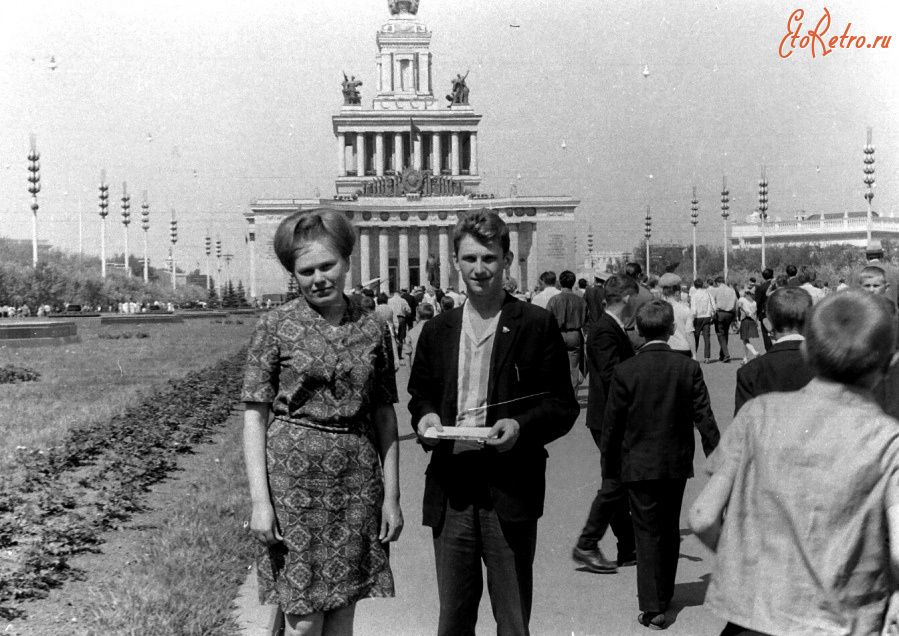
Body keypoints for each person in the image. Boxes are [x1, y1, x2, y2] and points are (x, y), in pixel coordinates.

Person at [408, 209, 578, 636]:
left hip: (510, 486)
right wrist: (426, 417)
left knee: (513, 619)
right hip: (453, 488)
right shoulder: (438, 329)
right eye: (469, 259)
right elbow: (420, 396)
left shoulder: (535, 324)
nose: (479, 270)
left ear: (506, 259)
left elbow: (562, 405)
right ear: (454, 262)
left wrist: (520, 426)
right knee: (453, 619)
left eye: (489, 258)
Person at [690, 290, 899, 636]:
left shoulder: (759, 414)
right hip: (843, 623)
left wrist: (746, 567)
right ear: (889, 363)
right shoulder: (888, 439)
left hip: (755, 617)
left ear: (806, 350)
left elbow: (702, 517)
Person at [241, 208, 402, 636]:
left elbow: (385, 415)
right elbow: (254, 419)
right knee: (304, 623)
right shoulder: (274, 326)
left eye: (327, 265)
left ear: (347, 261)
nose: (319, 278)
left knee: (344, 612)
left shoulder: (372, 325)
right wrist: (261, 503)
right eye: (306, 270)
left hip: (355, 484)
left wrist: (392, 498)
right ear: (294, 274)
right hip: (292, 485)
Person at [603, 299, 720, 629]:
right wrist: (718, 456)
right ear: (672, 330)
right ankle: (664, 593)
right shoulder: (688, 368)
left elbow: (612, 424)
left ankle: (653, 604)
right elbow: (704, 417)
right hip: (675, 461)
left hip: (637, 463)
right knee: (669, 526)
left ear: (637, 330)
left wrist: (609, 468)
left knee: (646, 530)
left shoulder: (625, 371)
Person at [573, 275, 639, 575]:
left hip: (609, 417)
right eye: (634, 298)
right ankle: (588, 543)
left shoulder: (609, 328)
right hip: (608, 418)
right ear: (626, 299)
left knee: (619, 482)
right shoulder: (604, 331)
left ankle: (627, 548)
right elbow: (613, 374)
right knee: (616, 482)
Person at [733, 287, 814, 416]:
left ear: (767, 324)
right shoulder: (830, 368)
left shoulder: (750, 372)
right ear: (810, 321)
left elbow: (743, 429)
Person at [546, 270, 588, 389]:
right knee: (573, 368)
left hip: (557, 334)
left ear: (560, 282)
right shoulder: (580, 300)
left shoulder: (554, 299)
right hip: (575, 334)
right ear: (573, 282)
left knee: (556, 367)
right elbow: (585, 319)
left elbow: (547, 319)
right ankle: (573, 398)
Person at [659, 273, 696, 358]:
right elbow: (689, 333)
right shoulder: (685, 309)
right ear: (677, 293)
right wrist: (694, 354)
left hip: (664, 349)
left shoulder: (659, 308)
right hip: (682, 348)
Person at [619, 263, 654, 348]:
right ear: (638, 275)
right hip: (641, 337)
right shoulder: (647, 294)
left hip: (620, 335)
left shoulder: (618, 292)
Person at [709, 276, 737, 363]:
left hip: (720, 313)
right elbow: (736, 303)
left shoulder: (716, 290)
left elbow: (712, 303)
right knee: (725, 333)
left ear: (717, 283)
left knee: (720, 334)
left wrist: (712, 315)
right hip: (729, 313)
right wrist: (735, 317)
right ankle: (723, 354)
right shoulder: (732, 290)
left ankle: (726, 353)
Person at [691, 278, 717, 363]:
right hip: (707, 317)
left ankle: (694, 356)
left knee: (696, 338)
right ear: (702, 285)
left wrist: (692, 317)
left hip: (697, 317)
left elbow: (693, 308)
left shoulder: (694, 295)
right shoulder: (708, 293)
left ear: (695, 286)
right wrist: (712, 313)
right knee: (707, 337)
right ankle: (707, 358)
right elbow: (714, 305)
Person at [735, 289, 759, 364]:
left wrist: (737, 316)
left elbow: (738, 307)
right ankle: (745, 358)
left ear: (746, 294)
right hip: (752, 321)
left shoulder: (742, 299)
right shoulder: (754, 303)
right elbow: (755, 313)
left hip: (745, 320)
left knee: (744, 339)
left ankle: (755, 352)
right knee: (746, 339)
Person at [755, 268, 774, 351]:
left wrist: (757, 314)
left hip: (765, 313)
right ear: (773, 275)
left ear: (763, 277)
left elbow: (758, 302)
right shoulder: (777, 285)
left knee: (766, 333)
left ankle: (769, 351)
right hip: (777, 312)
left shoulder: (761, 288)